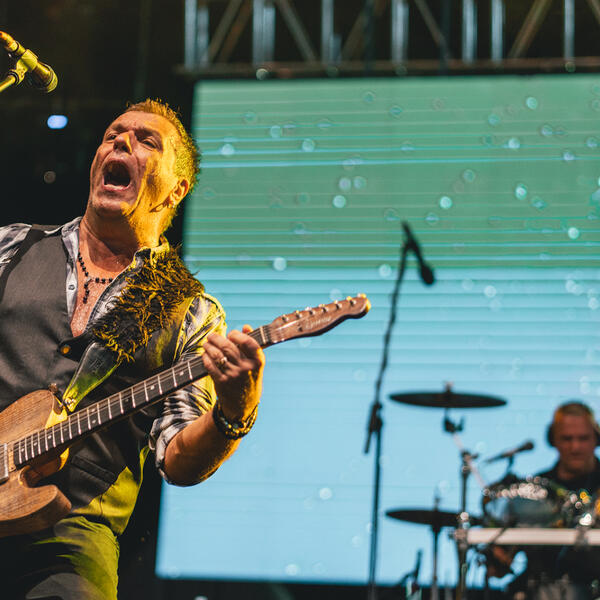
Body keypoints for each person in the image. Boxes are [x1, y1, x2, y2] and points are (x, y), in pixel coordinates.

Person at [0, 99, 265, 599]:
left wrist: (235, 411)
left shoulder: (191, 313)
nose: (122, 141)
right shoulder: (12, 246)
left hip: (68, 542)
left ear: (177, 188)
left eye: (147, 141)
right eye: (113, 135)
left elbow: (179, 459)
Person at [488, 401, 600, 595]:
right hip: (540, 589)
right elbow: (497, 570)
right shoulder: (536, 490)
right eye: (567, 439)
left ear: (596, 439)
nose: (575, 447)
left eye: (583, 438)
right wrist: (499, 554)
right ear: (552, 440)